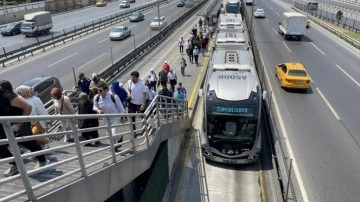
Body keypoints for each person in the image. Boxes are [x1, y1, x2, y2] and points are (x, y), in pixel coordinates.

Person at [0, 80, 50, 177]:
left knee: (29, 143)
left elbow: (27, 107)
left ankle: (43, 161)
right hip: (5, 126)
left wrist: (18, 124)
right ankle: (16, 165)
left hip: (19, 124)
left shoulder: (7, 95)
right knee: (1, 148)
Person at [93, 83, 126, 152]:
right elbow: (94, 106)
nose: (98, 92)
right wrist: (98, 110)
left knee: (114, 134)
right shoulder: (97, 97)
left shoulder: (114, 97)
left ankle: (119, 137)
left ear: (106, 90)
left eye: (100, 90)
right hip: (105, 118)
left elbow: (121, 109)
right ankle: (114, 147)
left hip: (115, 117)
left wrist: (123, 117)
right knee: (108, 134)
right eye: (98, 90)